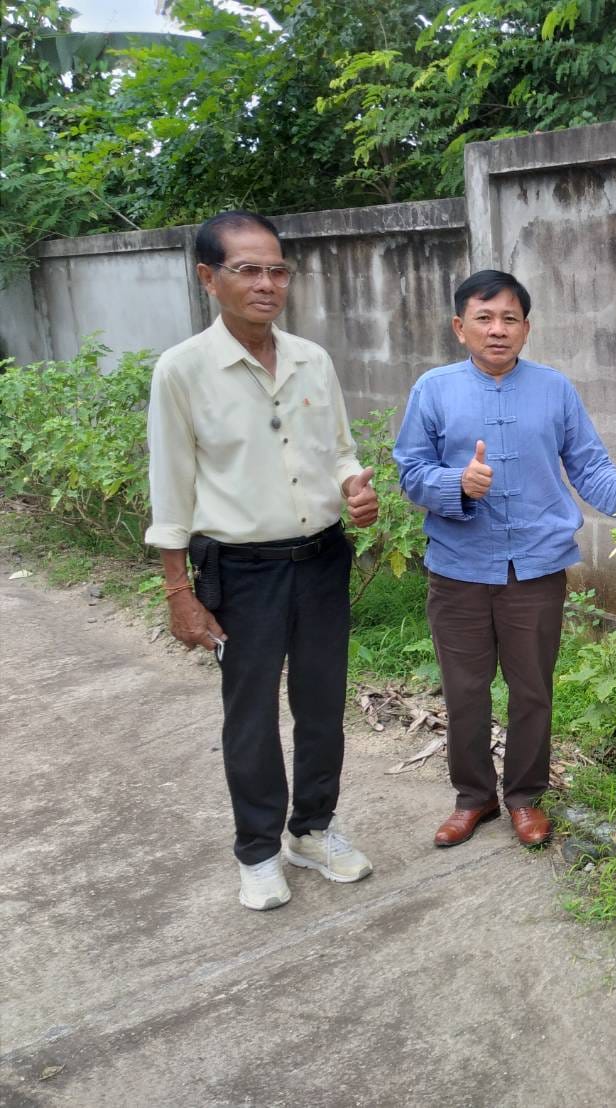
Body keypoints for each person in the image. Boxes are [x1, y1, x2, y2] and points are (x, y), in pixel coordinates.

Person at [146, 210, 380, 911]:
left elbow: (339, 449)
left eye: (277, 268)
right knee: (248, 716)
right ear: (207, 278)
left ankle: (311, 829)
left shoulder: (313, 359)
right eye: (247, 268)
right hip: (239, 571)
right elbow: (170, 488)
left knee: (320, 706)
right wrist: (178, 591)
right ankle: (256, 850)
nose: (266, 283)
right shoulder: (183, 371)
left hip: (320, 560)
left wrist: (353, 486)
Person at [393, 270, 616, 849]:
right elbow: (410, 473)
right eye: (484, 319)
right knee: (464, 690)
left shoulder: (554, 389)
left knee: (532, 689)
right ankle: (473, 798)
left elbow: (589, 468)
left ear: (526, 328)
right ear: (459, 327)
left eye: (509, 319)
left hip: (536, 569)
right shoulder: (433, 389)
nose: (497, 330)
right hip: (459, 567)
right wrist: (457, 483)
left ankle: (523, 797)